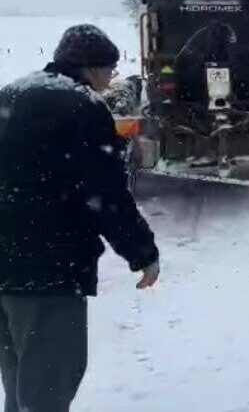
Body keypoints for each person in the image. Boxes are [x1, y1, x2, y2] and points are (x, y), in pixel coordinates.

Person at [0, 24, 160, 412]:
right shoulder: (82, 106)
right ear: (92, 68)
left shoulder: (11, 94)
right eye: (109, 70)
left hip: (5, 268)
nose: (110, 81)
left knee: (19, 377)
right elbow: (104, 193)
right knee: (48, 386)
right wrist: (142, 252)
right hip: (48, 270)